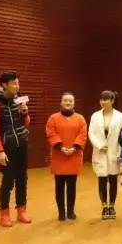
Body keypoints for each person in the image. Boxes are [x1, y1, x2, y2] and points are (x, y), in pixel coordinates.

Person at [0, 71, 32, 227]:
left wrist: (25, 111)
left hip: (22, 144)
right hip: (7, 147)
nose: (17, 86)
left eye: (18, 83)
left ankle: (22, 210)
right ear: (4, 85)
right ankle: (4, 213)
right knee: (8, 180)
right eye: (14, 83)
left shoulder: (19, 100)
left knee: (22, 179)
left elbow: (26, 122)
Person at [46, 92, 87, 221]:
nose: (68, 103)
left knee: (71, 187)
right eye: (65, 100)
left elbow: (82, 135)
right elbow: (51, 134)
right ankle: (61, 213)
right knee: (59, 187)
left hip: (74, 157)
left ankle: (70, 211)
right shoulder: (53, 118)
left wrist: (74, 148)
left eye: (70, 101)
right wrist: (61, 148)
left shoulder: (80, 119)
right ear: (61, 102)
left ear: (74, 103)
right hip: (59, 156)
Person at [88, 90, 122, 220]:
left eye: (106, 99)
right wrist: (99, 145)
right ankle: (104, 206)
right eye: (101, 99)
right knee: (102, 180)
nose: (103, 102)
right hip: (100, 152)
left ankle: (112, 206)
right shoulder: (95, 116)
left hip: (114, 152)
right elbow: (91, 133)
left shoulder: (120, 117)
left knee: (113, 181)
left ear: (112, 101)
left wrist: (121, 153)